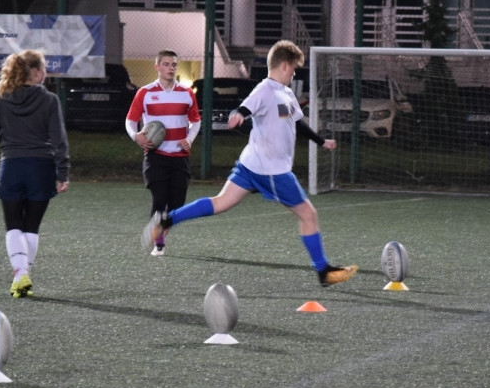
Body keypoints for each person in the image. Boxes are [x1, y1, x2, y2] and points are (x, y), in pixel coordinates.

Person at [142, 40, 357, 287]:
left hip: (251, 164)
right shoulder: (265, 90)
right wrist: (237, 115)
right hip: (272, 171)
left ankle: (166, 220)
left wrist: (321, 141)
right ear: (284, 65)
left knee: (220, 203)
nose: (295, 73)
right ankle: (323, 271)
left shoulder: (286, 93)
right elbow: (245, 108)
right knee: (309, 214)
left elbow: (297, 122)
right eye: (294, 68)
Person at [0, 50, 69, 298]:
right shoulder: (50, 100)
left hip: (11, 166)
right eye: (43, 68)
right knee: (31, 226)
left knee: (13, 225)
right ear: (34, 71)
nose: (45, 73)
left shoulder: (1, 98)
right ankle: (22, 275)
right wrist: (63, 172)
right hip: (41, 167)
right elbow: (59, 139)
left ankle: (20, 275)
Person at [125, 50, 201, 256]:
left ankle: (160, 230)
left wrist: (189, 139)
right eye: (166, 64)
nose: (171, 68)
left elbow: (195, 121)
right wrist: (136, 136)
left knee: (177, 206)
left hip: (180, 158)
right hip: (155, 156)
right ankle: (158, 243)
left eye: (174, 64)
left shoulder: (187, 93)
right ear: (157, 67)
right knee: (159, 200)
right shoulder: (145, 93)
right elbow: (130, 120)